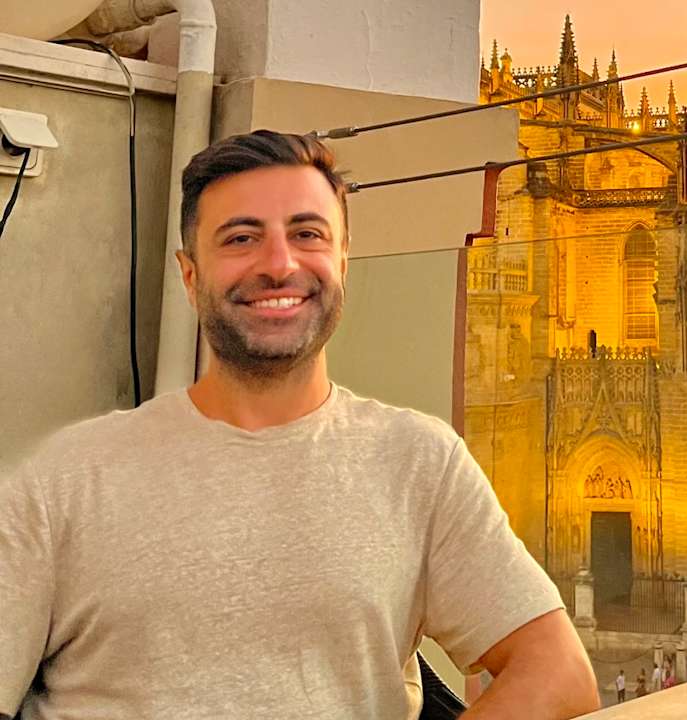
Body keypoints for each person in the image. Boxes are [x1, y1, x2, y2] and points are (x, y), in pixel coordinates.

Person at [0, 130, 601, 720]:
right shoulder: (63, 480)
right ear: (190, 275)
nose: (279, 264)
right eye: (241, 238)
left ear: (343, 261)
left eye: (307, 234)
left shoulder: (420, 462)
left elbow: (558, 672)